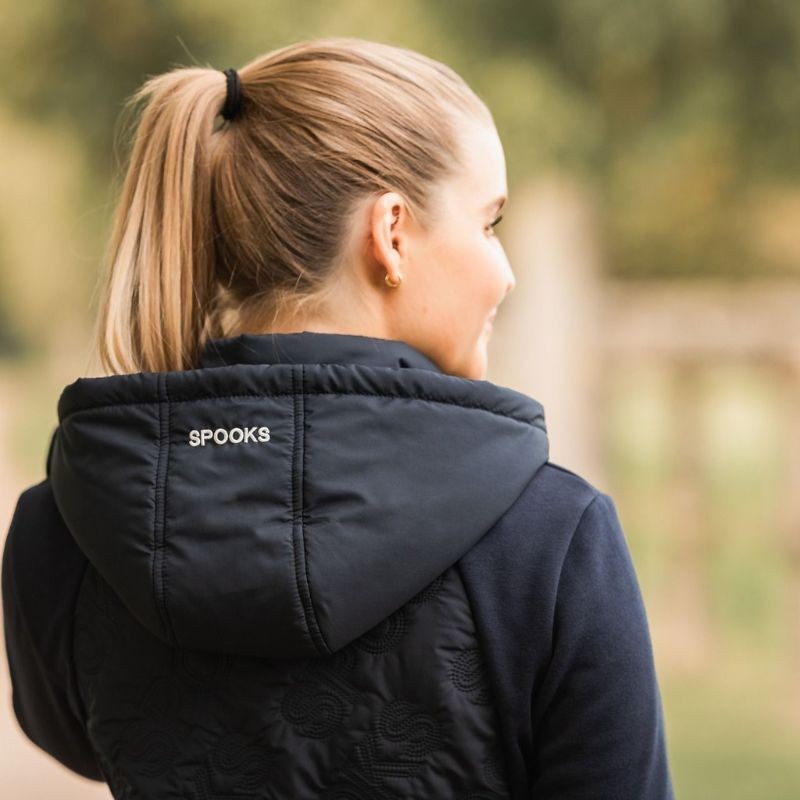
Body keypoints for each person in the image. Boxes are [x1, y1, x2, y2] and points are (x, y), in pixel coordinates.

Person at [1, 36, 675, 799]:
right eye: (490, 224)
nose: (506, 272)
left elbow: (74, 737)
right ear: (392, 234)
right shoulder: (552, 541)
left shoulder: (66, 530)